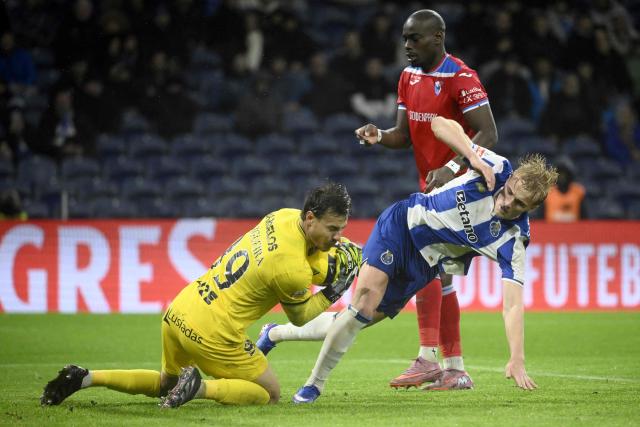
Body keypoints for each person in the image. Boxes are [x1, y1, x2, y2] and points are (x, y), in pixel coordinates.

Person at [288, 116, 557, 403]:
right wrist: (471, 157)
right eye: (510, 193)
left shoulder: (514, 240)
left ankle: (276, 334)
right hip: (403, 223)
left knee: (358, 318)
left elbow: (513, 304)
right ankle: (313, 386)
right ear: (511, 180)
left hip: (426, 264)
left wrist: (517, 358)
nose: (507, 203)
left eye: (520, 204)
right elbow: (440, 124)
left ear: (533, 208)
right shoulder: (496, 168)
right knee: (364, 300)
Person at [40, 182, 363, 407]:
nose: (338, 237)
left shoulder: (281, 216)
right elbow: (301, 315)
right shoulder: (291, 270)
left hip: (181, 309)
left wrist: (329, 262)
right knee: (269, 393)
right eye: (333, 229)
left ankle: (85, 377)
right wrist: (336, 288)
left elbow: (305, 258)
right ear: (310, 218)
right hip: (214, 331)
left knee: (165, 384)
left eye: (342, 230)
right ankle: (199, 388)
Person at [352, 9, 498, 390]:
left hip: (464, 184)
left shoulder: (461, 77)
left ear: (437, 37)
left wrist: (452, 169)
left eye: (414, 38)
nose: (407, 45)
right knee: (439, 271)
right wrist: (379, 136)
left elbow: (488, 133)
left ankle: (431, 359)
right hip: (433, 186)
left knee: (430, 263)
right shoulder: (408, 77)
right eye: (404, 38)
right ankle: (453, 368)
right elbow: (404, 135)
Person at [544, 156, 586, 222]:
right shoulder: (547, 193)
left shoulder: (578, 192)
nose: (562, 178)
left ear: (570, 176)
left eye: (565, 175)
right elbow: (540, 220)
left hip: (574, 230)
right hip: (552, 231)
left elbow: (585, 219)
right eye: (560, 174)